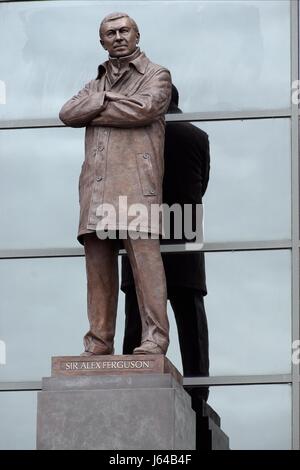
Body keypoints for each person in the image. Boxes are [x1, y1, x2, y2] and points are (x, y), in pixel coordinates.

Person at [59, 12, 172, 356]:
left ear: (137, 35)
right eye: (111, 33)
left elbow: (145, 109)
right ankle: (99, 340)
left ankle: (155, 338)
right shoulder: (96, 83)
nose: (118, 36)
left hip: (136, 186)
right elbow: (67, 114)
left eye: (125, 30)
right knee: (98, 267)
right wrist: (103, 98)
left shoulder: (157, 75)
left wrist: (97, 107)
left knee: (146, 266)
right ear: (102, 42)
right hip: (96, 188)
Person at [121, 85, 210, 401]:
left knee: (137, 312)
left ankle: (132, 377)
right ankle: (200, 391)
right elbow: (201, 188)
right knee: (190, 315)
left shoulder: (137, 133)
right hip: (183, 232)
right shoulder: (197, 136)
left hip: (143, 229)